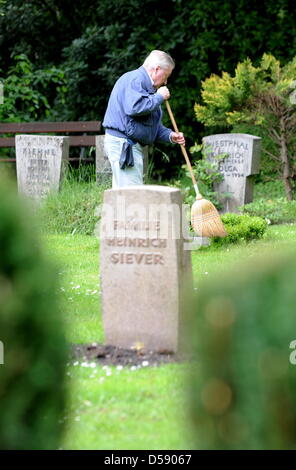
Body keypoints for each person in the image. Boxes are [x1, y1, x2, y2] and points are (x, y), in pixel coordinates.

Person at [102, 50, 185, 188]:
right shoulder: (135, 80)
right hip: (124, 145)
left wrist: (171, 135)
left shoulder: (149, 89)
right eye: (166, 76)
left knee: (123, 196)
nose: (165, 81)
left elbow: (151, 126)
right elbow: (134, 108)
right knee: (133, 196)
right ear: (156, 69)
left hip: (129, 144)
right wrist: (159, 97)